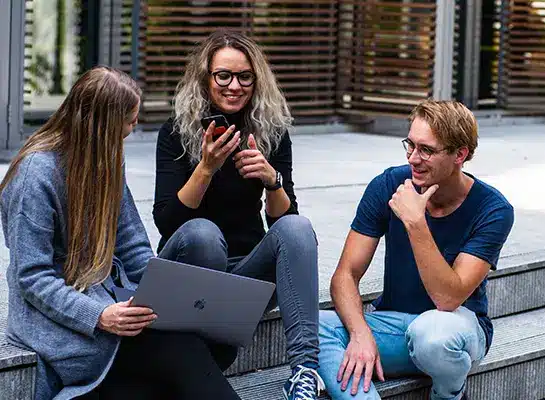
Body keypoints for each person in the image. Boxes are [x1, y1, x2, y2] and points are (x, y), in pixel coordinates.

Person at [0, 66, 241, 400]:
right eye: (129, 120)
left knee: (209, 341)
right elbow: (33, 277)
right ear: (103, 125)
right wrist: (99, 316)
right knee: (180, 350)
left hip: (113, 302)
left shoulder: (108, 158)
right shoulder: (35, 176)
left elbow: (134, 248)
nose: (134, 127)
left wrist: (167, 299)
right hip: (65, 324)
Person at [153, 30, 323, 399]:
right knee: (203, 234)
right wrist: (206, 168)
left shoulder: (271, 133)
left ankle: (305, 372)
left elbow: (284, 224)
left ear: (256, 79)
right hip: (188, 273)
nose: (234, 86)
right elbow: (166, 222)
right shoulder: (176, 133)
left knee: (298, 228)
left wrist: (272, 180)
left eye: (245, 76)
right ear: (206, 78)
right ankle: (205, 354)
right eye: (223, 76)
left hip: (244, 275)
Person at [317, 100, 514, 400]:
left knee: (432, 335)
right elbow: (345, 275)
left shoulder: (493, 209)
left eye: (427, 150)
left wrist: (415, 222)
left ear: (460, 154)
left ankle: (449, 395)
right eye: (409, 145)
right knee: (315, 325)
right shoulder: (388, 184)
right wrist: (360, 334)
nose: (413, 158)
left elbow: (448, 298)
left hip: (454, 332)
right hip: (394, 325)